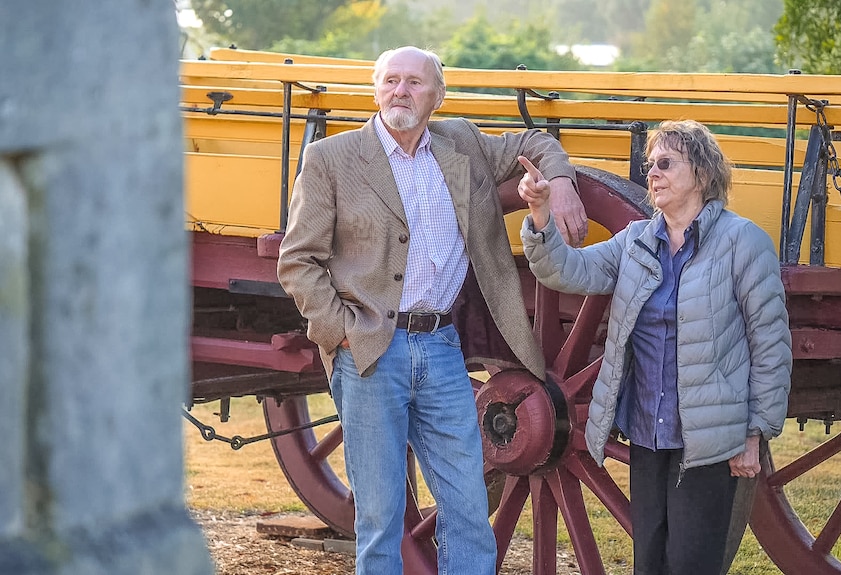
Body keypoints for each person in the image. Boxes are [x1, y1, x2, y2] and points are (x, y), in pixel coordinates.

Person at [277, 46, 587, 574]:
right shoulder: (331, 159)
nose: (401, 91)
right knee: (380, 519)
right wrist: (343, 333)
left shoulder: (460, 143)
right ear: (376, 90)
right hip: (371, 350)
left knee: (466, 507)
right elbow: (297, 261)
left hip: (442, 351)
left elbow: (537, 141)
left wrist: (559, 182)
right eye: (391, 81)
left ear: (436, 96)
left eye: (415, 83)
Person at [517, 119, 792, 575]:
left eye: (665, 163)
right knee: (649, 562)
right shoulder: (636, 242)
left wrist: (754, 434)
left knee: (690, 564)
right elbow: (567, 272)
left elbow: (770, 345)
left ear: (701, 174)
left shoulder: (742, 243)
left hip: (707, 438)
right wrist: (542, 216)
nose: (653, 174)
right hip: (648, 431)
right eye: (650, 166)